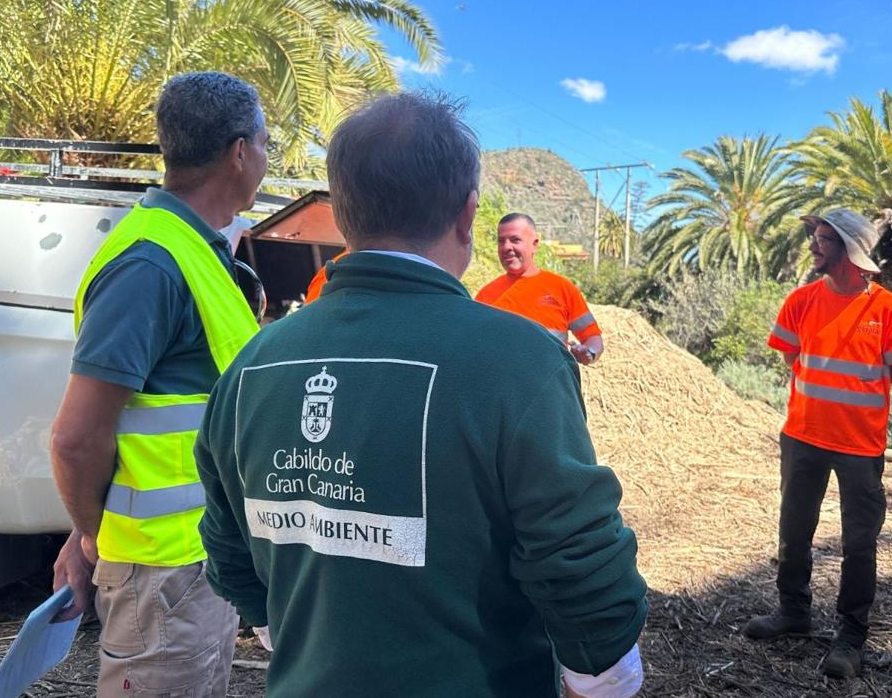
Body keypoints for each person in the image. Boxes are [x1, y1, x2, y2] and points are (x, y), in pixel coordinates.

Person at [193, 92, 648, 698]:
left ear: (346, 214)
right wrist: (604, 678)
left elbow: (227, 545)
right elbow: (578, 553)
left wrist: (290, 632)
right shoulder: (519, 361)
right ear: (467, 215)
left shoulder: (252, 365)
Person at [50, 72, 268, 696]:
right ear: (237, 152)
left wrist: (82, 533)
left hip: (195, 562)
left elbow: (137, 424)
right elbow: (75, 438)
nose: (265, 155)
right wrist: (94, 537)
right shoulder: (152, 262)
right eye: (264, 141)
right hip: (163, 575)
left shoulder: (196, 252)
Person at [743, 209, 892, 679]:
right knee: (794, 531)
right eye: (815, 237)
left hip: (860, 447)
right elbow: (791, 356)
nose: (813, 245)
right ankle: (793, 613)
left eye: (824, 239)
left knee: (859, 544)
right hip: (802, 438)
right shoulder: (800, 301)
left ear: (850, 248)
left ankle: (851, 637)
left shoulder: (887, 310)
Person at [476, 213, 604, 365]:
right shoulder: (484, 297)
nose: (506, 247)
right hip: (501, 387)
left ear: (535, 244)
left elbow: (593, 338)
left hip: (552, 386)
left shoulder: (562, 288)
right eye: (501, 241)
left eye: (515, 240)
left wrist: (589, 353)